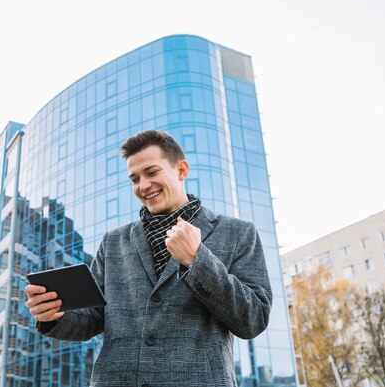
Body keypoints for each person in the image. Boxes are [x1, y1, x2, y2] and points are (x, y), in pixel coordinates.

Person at [25, 130, 272, 386]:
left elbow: (253, 319)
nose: (143, 186)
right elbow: (92, 318)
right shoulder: (114, 242)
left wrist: (197, 261)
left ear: (181, 170)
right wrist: (53, 315)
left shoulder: (238, 233)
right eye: (134, 179)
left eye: (152, 173)